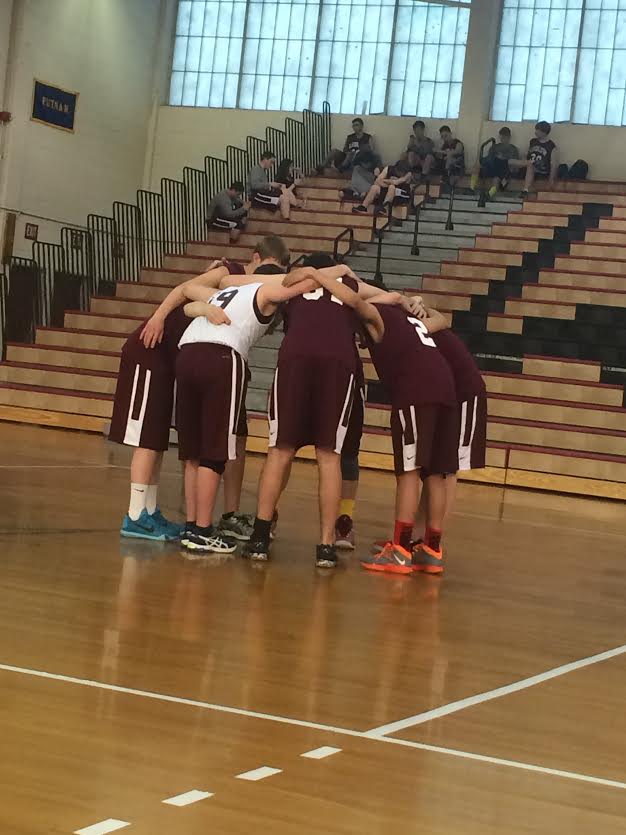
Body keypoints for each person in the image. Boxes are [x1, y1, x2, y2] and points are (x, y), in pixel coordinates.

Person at [110, 237, 290, 543]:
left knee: (159, 438)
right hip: (154, 346)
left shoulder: (248, 290)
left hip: (181, 357)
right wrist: (157, 317)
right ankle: (136, 514)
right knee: (148, 437)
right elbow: (185, 288)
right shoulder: (228, 273)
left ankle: (149, 511)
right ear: (256, 259)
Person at [243, 255, 384, 569]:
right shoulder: (348, 285)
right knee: (329, 454)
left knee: (279, 450)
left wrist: (309, 274)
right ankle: (326, 545)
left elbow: (279, 288)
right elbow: (376, 302)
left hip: (296, 357)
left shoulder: (295, 282)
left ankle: (260, 536)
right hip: (338, 361)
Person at [175, 271, 320, 554]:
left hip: (187, 353)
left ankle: (191, 525)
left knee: (191, 449)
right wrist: (321, 277)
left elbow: (188, 296)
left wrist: (205, 308)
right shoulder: (262, 292)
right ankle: (203, 531)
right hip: (221, 357)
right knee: (215, 450)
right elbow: (295, 289)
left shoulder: (224, 294)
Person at [358, 303, 458, 575]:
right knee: (436, 473)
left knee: (409, 471)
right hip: (447, 389)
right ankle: (431, 550)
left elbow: (356, 300)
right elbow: (443, 318)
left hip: (417, 390)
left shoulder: (377, 314)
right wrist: (409, 301)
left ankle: (401, 551)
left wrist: (326, 277)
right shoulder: (409, 322)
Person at [410, 311, 487, 575]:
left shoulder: (410, 324)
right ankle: (418, 538)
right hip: (447, 392)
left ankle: (433, 542)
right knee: (432, 469)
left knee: (447, 469)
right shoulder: (413, 318)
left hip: (464, 393)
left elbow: (441, 319)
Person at [507, 121, 558, 197]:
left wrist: (551, 180)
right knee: (510, 161)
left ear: (543, 132)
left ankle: (525, 190)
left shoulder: (551, 146)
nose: (535, 132)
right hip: (528, 163)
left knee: (530, 165)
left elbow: (553, 164)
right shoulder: (533, 141)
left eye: (537, 130)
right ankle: (503, 182)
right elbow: (527, 154)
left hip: (541, 169)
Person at [470, 127, 520, 199]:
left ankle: (489, 195)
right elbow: (488, 158)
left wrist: (504, 159)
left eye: (505, 137)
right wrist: (481, 162)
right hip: (492, 166)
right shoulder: (495, 147)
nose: (503, 138)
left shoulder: (513, 149)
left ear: (509, 137)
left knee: (496, 179)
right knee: (476, 168)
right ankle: (471, 188)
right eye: (502, 136)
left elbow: (515, 162)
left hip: (503, 169)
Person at [248, 150, 291, 216]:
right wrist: (270, 184)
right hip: (257, 196)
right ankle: (287, 220)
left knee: (285, 193)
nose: (271, 165)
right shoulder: (256, 169)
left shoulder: (261, 171)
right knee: (283, 198)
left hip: (262, 194)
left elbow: (263, 185)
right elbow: (254, 185)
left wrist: (272, 185)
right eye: (271, 162)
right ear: (265, 159)